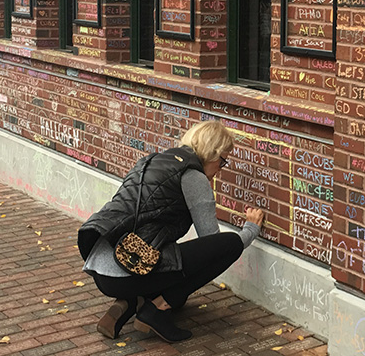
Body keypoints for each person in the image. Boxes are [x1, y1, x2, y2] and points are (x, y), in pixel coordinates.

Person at [78, 121, 265, 342]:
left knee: (179, 293)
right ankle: (155, 310)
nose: (220, 168)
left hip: (101, 269)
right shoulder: (193, 176)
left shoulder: (151, 161)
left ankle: (130, 303)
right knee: (229, 245)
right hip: (128, 269)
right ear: (213, 154)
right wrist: (250, 230)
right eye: (223, 161)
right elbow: (212, 242)